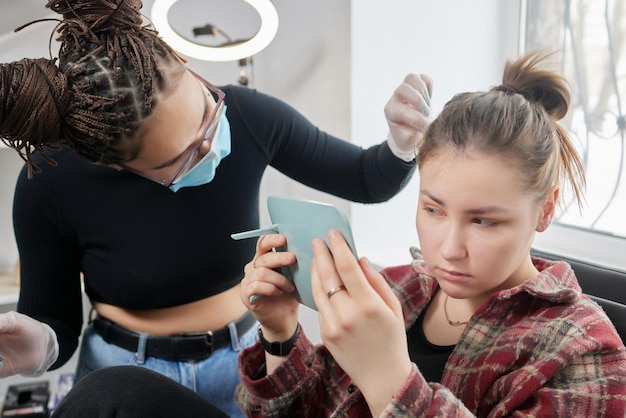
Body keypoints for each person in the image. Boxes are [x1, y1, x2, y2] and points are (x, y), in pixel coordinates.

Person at [0, 0, 431, 416]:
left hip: (241, 367)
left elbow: (366, 179)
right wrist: (44, 344)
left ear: (184, 65)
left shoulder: (248, 116)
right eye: (186, 157)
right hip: (119, 371)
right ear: (112, 164)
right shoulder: (49, 182)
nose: (212, 146)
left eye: (209, 108)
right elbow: (55, 318)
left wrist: (401, 142)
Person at [233, 51, 626, 416]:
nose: (450, 250)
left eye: (484, 221)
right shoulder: (397, 290)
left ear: (545, 210)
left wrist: (388, 378)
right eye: (433, 210)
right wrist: (280, 334)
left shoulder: (582, 351)